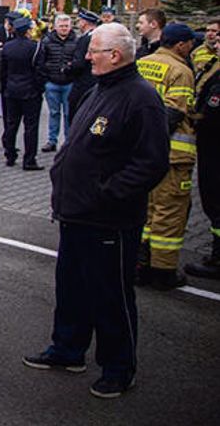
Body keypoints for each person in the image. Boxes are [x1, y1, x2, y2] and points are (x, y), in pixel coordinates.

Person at [23, 22, 168, 399]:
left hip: (108, 220)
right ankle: (68, 350)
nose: (86, 56)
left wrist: (107, 193)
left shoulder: (140, 98)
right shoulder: (100, 89)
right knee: (72, 289)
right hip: (76, 215)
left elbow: (151, 163)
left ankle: (119, 368)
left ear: (115, 55)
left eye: (94, 51)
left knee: (110, 297)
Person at [135, 23, 197, 290]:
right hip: (173, 155)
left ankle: (140, 262)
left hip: (140, 152)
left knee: (146, 211)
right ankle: (163, 270)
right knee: (168, 212)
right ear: (181, 45)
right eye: (189, 44)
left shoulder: (143, 63)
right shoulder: (181, 71)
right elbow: (174, 113)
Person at [187, 26, 220, 280]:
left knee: (215, 198)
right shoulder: (211, 65)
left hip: (214, 144)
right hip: (209, 144)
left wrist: (191, 118)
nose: (216, 44)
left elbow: (209, 112)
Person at [0, 16, 44, 171]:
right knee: (31, 127)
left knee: (11, 124)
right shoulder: (36, 47)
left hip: (11, 91)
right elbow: (39, 71)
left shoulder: (7, 47)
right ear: (27, 31)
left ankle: (10, 155)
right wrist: (40, 89)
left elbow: (2, 71)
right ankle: (29, 159)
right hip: (31, 92)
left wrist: (5, 88)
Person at [36, 13, 77, 152]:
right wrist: (45, 79)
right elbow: (41, 61)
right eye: (61, 26)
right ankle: (52, 140)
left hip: (69, 83)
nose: (64, 28)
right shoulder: (46, 41)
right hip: (51, 83)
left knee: (68, 114)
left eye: (66, 26)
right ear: (55, 26)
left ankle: (68, 141)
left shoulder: (76, 41)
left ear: (70, 26)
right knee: (53, 113)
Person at [66, 10, 99, 123]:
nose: (78, 23)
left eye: (80, 20)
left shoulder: (84, 40)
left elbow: (79, 63)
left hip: (83, 83)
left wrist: (67, 69)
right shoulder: (98, 36)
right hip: (95, 81)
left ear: (84, 23)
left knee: (77, 118)